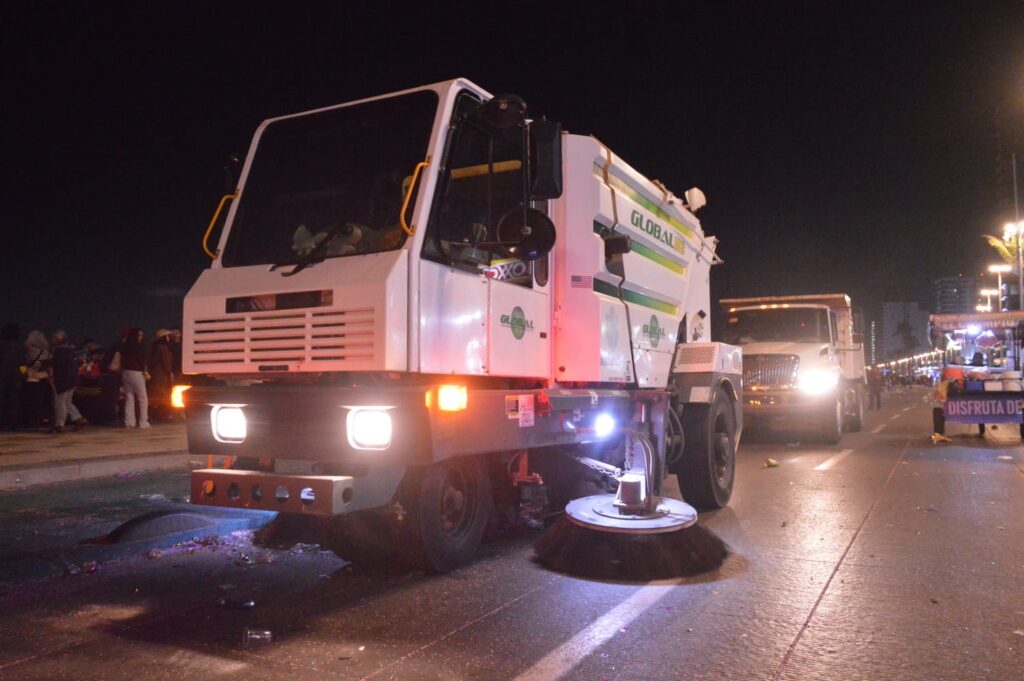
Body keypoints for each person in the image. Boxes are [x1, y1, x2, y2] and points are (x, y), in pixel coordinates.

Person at [50, 330, 87, 432]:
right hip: (72, 379)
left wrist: (44, 363)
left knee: (60, 402)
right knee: (66, 402)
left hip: (64, 379)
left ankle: (60, 425)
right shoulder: (69, 351)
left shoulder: (60, 351)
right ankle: (79, 419)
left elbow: (56, 363)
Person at [22, 330, 52, 429]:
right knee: (40, 401)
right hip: (43, 377)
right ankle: (39, 420)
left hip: (31, 377)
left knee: (30, 401)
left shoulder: (32, 351)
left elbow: (26, 363)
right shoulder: (47, 352)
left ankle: (30, 421)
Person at [120, 328, 150, 428]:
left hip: (126, 372)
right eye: (140, 335)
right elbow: (142, 360)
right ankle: (143, 422)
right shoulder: (139, 347)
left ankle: (129, 422)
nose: (141, 337)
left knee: (129, 397)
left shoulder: (125, 347)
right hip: (137, 372)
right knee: (142, 398)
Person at [147, 329, 174, 422]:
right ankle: (160, 417)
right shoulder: (163, 348)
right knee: (162, 396)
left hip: (155, 375)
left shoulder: (155, 348)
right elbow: (166, 364)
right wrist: (170, 374)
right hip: (162, 376)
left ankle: (152, 416)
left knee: (154, 396)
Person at [0, 323, 23, 430]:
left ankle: (2, 421)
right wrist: (23, 374)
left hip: (3, 376)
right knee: (14, 400)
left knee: (2, 400)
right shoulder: (20, 346)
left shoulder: (2, 344)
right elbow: (23, 363)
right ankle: (13, 422)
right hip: (16, 376)